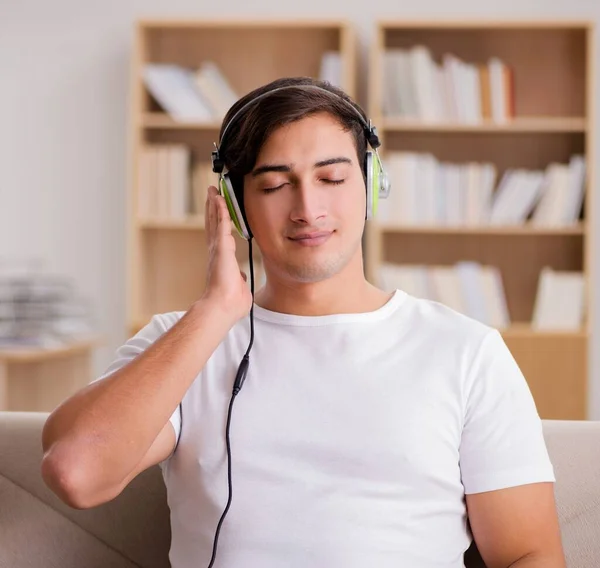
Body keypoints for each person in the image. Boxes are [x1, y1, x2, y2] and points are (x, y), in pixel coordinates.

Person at [41, 76, 566, 568]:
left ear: (372, 182)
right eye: (273, 186)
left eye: (333, 177)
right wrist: (216, 310)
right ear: (235, 205)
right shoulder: (181, 344)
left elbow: (528, 554)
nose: (307, 208)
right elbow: (77, 473)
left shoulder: (466, 351)